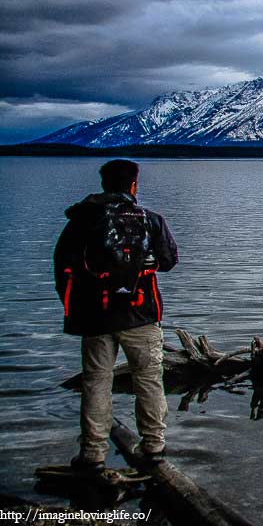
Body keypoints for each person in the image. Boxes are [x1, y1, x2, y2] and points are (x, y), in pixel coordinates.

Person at [53, 159, 179, 471]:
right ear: (134, 185)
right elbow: (169, 260)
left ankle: (93, 454)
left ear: (103, 184)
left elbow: (63, 265)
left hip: (96, 317)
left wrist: (74, 308)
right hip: (142, 314)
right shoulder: (151, 220)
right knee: (149, 380)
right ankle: (154, 446)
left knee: (96, 381)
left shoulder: (82, 220)